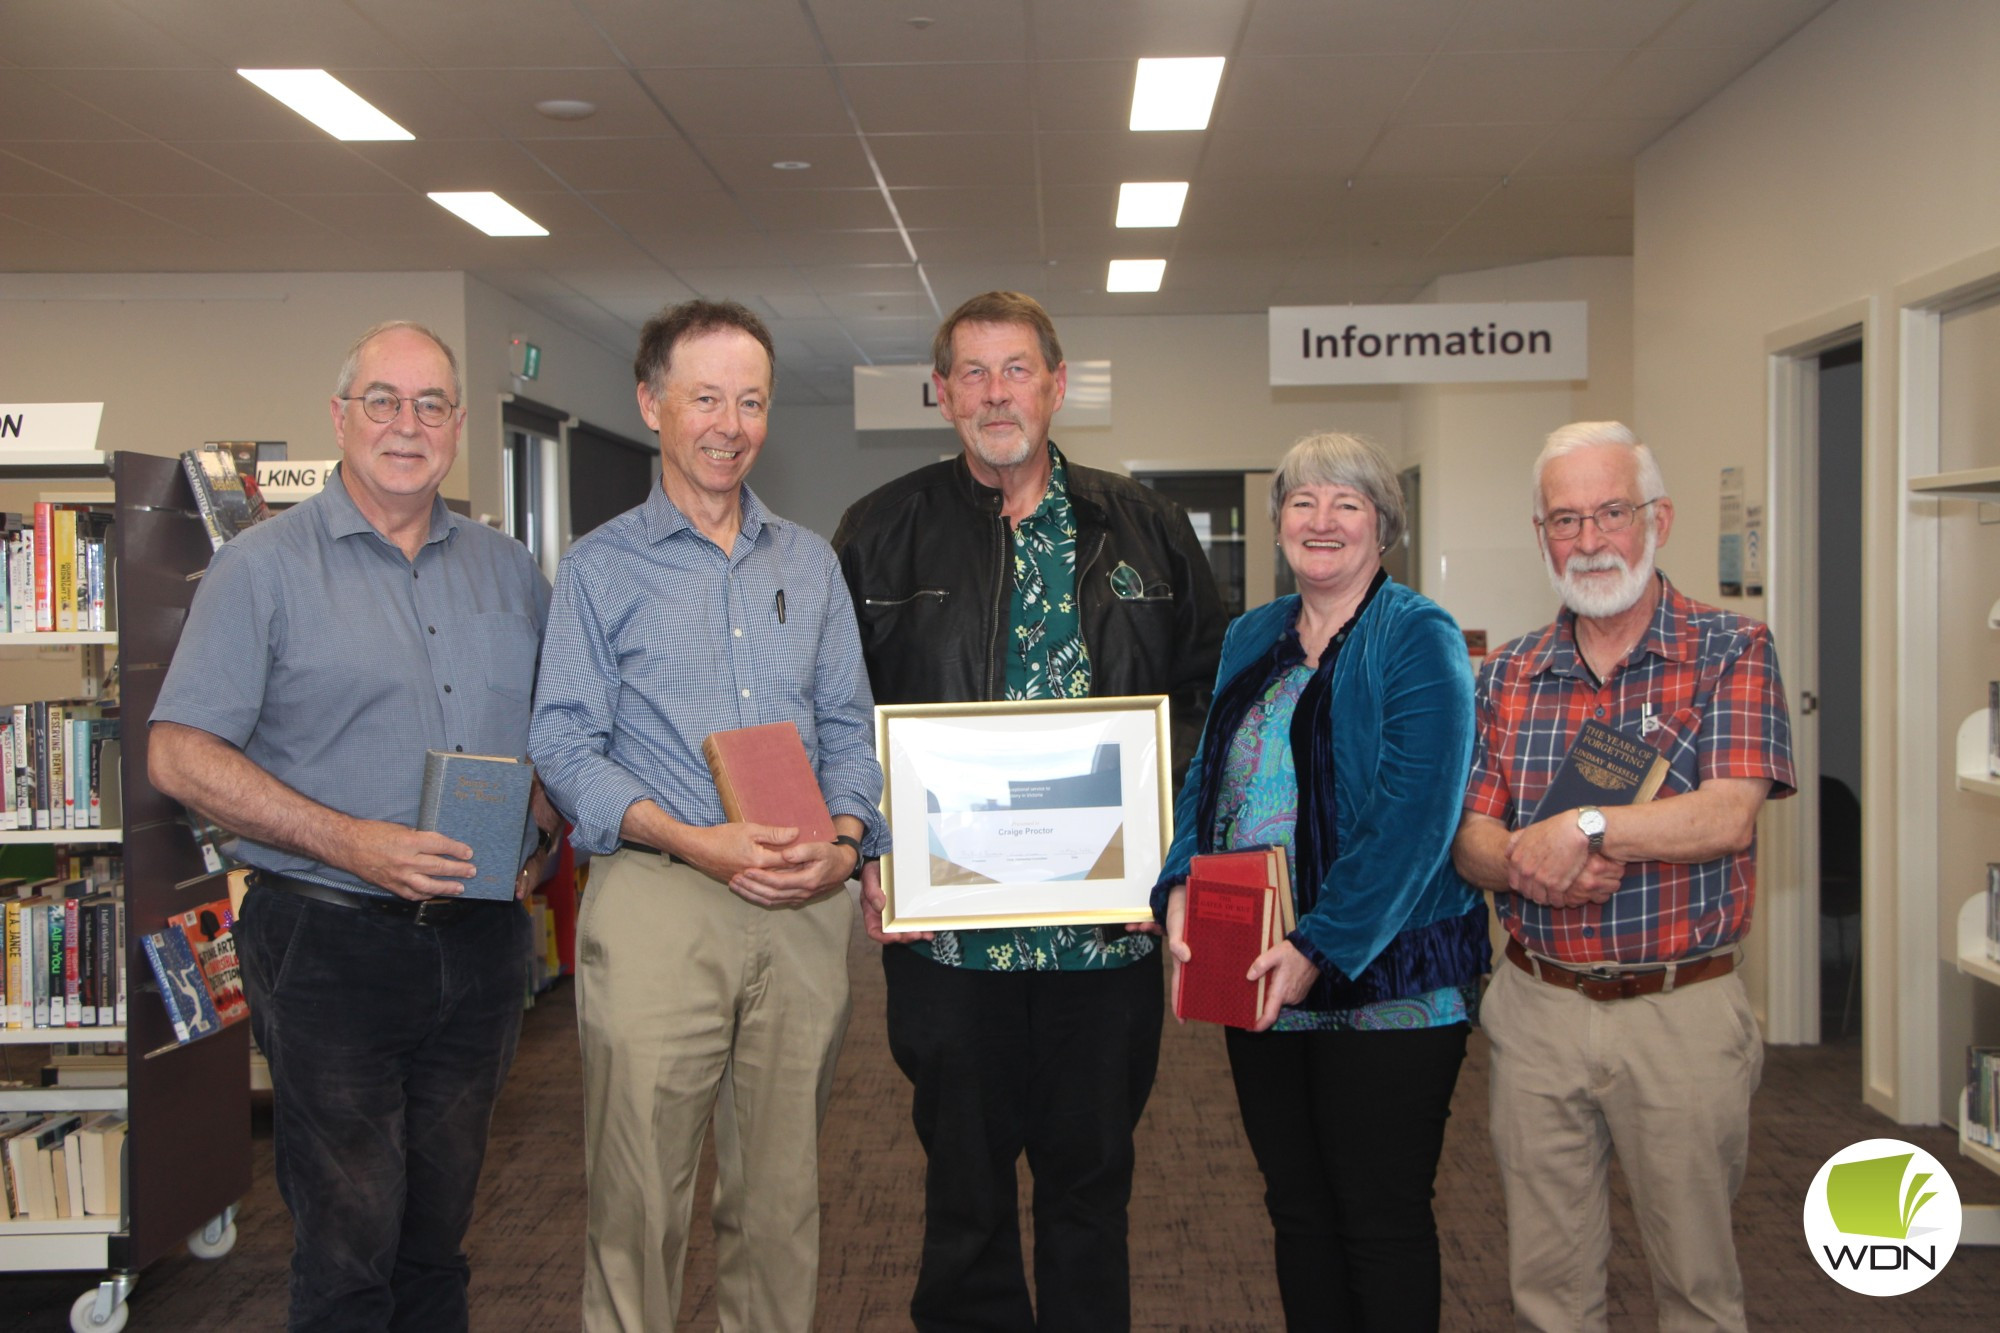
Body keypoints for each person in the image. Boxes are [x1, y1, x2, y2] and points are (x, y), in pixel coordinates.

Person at [149, 320, 557, 1332]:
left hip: (481, 945)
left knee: (438, 1231)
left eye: (429, 405)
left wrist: (539, 836)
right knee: (346, 1239)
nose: (405, 425)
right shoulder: (261, 567)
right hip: (329, 940)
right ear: (340, 415)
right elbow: (179, 753)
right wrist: (348, 839)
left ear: (459, 425)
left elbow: (557, 735)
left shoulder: (510, 572)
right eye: (383, 400)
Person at [831, 290, 1226, 1332]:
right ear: (940, 392)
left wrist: (1167, 846)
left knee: (1090, 1189)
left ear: (1055, 383)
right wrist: (867, 842)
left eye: (1015, 370)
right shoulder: (878, 534)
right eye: (971, 372)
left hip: (1103, 936)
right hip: (949, 940)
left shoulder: (1142, 525)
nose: (995, 392)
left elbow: (1208, 703)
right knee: (962, 1195)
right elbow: (836, 715)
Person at [528, 299, 885, 1333]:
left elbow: (846, 728)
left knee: (780, 1203)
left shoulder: (809, 563)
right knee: (640, 1200)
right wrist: (691, 838)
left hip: (801, 908)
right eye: (704, 398)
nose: (728, 423)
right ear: (651, 404)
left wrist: (848, 842)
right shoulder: (599, 568)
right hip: (660, 896)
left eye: (750, 401)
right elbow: (561, 743)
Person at [1453, 421, 1795, 1332]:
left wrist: (1587, 826)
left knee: (1696, 1286)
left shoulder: (1731, 650)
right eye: (1565, 519)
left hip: (1678, 1012)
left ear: (1659, 519)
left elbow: (1726, 812)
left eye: (1611, 511)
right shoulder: (1511, 675)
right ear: (1541, 536)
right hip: (1539, 1010)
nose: (1590, 538)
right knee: (1548, 1290)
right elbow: (1472, 839)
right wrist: (1533, 867)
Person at [1152, 432, 1489, 1332]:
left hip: (1387, 987)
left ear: (1385, 527)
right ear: (1278, 525)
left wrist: (1318, 943)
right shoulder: (1252, 634)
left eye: (1348, 503)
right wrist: (1179, 879)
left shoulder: (1418, 635)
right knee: (1296, 1209)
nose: (1323, 520)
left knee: (1377, 1219)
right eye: (1303, 502)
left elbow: (1414, 817)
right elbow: (1205, 778)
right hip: (1258, 973)